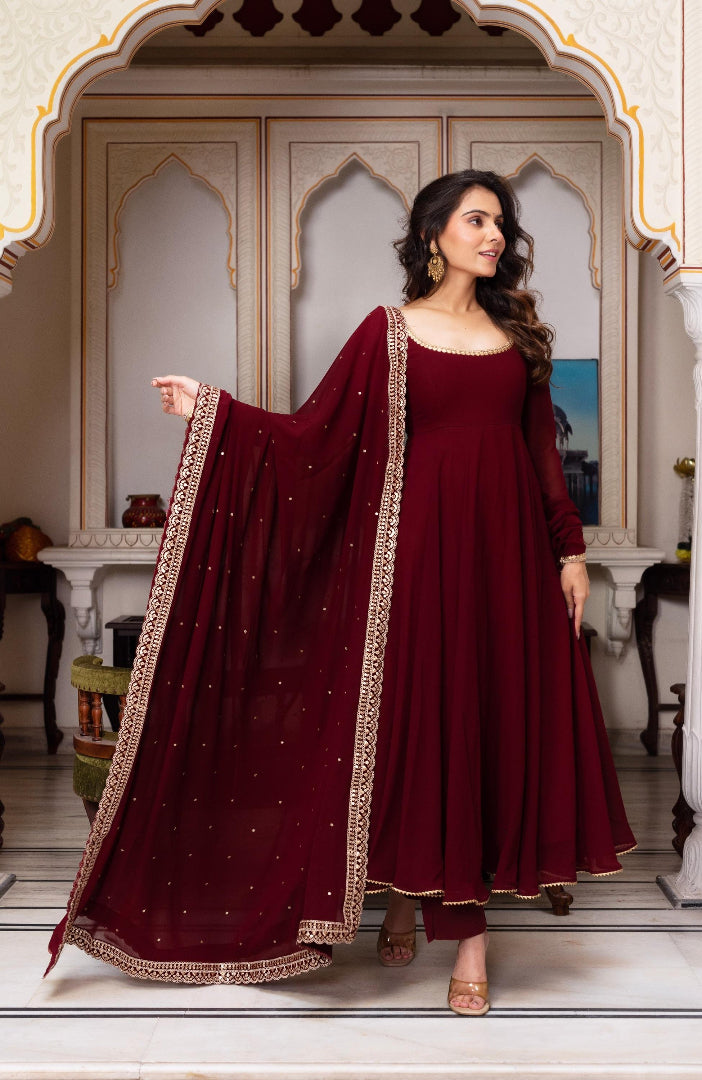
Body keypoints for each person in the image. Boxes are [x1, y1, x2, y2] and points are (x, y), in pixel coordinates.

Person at [48, 170, 636, 1016]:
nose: (494, 235)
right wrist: (212, 413)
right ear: (435, 234)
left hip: (504, 564)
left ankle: (435, 912)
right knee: (415, 732)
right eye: (477, 220)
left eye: (501, 223)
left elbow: (543, 457)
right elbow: (311, 435)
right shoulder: (387, 334)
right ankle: (439, 918)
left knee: (482, 725)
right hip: (413, 569)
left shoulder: (517, 339)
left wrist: (569, 554)